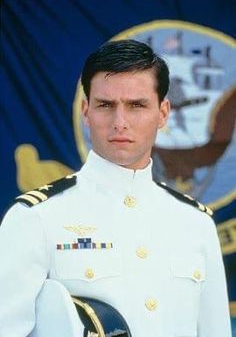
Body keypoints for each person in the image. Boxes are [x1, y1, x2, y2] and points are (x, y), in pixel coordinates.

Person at [0, 39, 231, 337]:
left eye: (137, 105)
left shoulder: (196, 223)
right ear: (86, 111)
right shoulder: (35, 218)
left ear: (162, 113)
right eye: (106, 105)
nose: (120, 122)